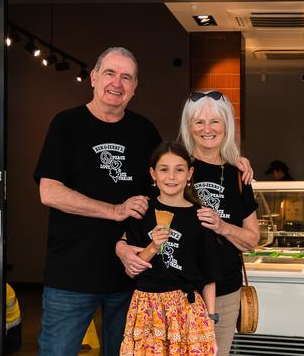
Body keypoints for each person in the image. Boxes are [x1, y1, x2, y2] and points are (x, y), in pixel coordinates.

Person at [34, 47, 162, 355]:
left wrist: (228, 159)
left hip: (129, 275)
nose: (117, 83)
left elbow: (170, 184)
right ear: (93, 78)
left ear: (134, 87)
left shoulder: (145, 131)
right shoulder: (66, 124)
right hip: (71, 275)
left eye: (126, 77)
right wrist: (115, 210)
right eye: (110, 73)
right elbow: (49, 191)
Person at [178, 90, 259, 356]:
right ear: (189, 127)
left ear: (227, 125)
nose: (207, 129)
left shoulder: (238, 175)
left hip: (225, 292)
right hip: (179, 291)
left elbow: (251, 240)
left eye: (215, 121)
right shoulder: (177, 168)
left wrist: (221, 225)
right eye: (199, 122)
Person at [119, 142, 219, 355]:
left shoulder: (201, 217)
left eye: (179, 169)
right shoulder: (142, 211)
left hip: (187, 307)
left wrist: (210, 322)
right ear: (153, 174)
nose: (171, 177)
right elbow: (132, 269)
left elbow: (209, 276)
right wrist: (154, 246)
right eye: (164, 169)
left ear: (189, 173)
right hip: (147, 306)